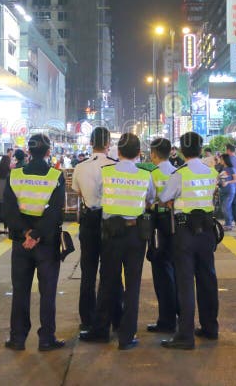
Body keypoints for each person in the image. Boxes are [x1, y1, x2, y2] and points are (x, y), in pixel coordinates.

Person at [80, 134, 154, 350]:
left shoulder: (106, 172)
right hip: (135, 235)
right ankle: (127, 335)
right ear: (139, 153)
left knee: (107, 282)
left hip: (111, 234)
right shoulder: (144, 175)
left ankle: (100, 331)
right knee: (133, 285)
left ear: (118, 152)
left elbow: (100, 196)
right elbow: (150, 199)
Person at [3, 134, 65, 351]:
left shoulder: (15, 175)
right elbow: (56, 212)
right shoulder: (56, 176)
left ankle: (17, 338)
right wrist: (37, 234)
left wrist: (26, 232)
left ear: (29, 151)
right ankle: (46, 338)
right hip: (46, 243)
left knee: (20, 290)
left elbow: (9, 209)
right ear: (48, 152)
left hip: (21, 242)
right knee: (47, 292)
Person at [160, 131, 219, 350]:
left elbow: (165, 197)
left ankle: (185, 335)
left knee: (185, 283)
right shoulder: (211, 172)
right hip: (207, 231)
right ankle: (210, 327)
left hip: (185, 232)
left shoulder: (179, 174)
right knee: (208, 279)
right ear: (201, 149)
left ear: (182, 151)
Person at [71, 126, 122, 332]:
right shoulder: (114, 166)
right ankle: (115, 316)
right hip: (110, 220)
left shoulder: (80, 167)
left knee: (88, 271)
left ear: (91, 143)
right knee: (112, 271)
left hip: (89, 221)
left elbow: (78, 192)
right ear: (108, 143)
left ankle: (88, 318)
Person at [145, 137, 179, 335]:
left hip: (159, 226)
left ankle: (166, 320)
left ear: (154, 155)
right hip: (178, 225)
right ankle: (180, 314)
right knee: (177, 271)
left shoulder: (153, 174)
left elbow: (149, 200)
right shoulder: (177, 172)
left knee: (161, 272)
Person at [218, 154, 236, 230]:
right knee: (225, 207)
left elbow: (235, 180)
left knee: (226, 207)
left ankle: (229, 224)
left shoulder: (231, 168)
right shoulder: (222, 169)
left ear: (225, 160)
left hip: (229, 191)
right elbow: (220, 179)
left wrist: (227, 182)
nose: (220, 161)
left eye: (221, 159)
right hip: (222, 191)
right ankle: (228, 223)